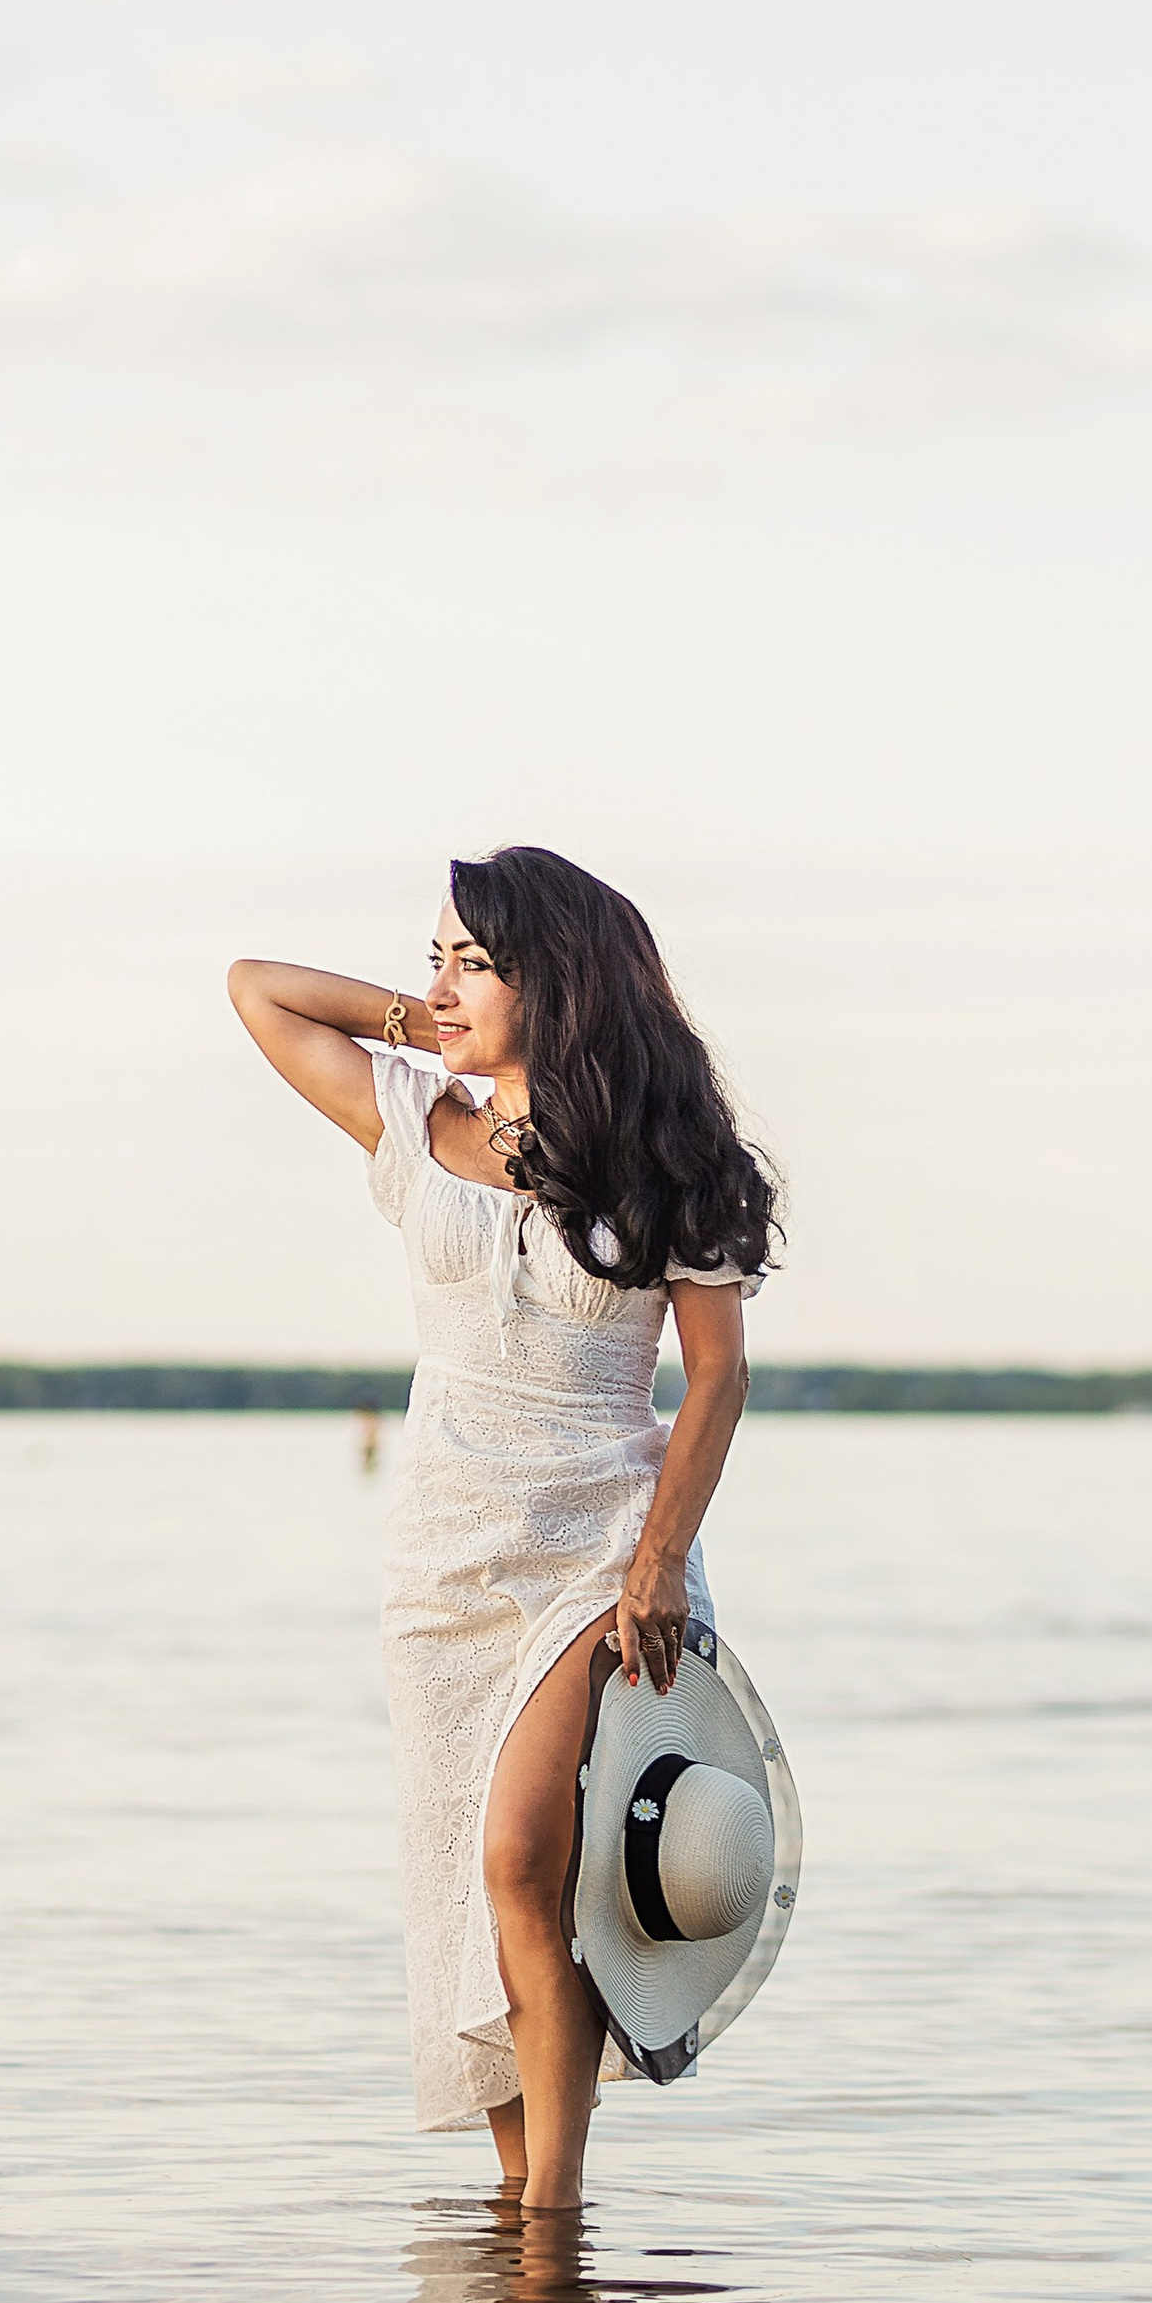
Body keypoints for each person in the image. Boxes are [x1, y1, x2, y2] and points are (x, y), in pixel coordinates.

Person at [228, 847, 776, 2208]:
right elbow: (258, 992)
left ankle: (553, 2222)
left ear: (563, 975)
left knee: (522, 1857)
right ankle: (527, 2208)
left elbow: (717, 1377)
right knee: (476, 1897)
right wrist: (440, 1022)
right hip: (444, 1566)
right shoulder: (418, 1125)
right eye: (435, 956)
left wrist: (657, 1562)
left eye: (476, 958)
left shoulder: (667, 1156)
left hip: (602, 1551)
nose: (441, 981)